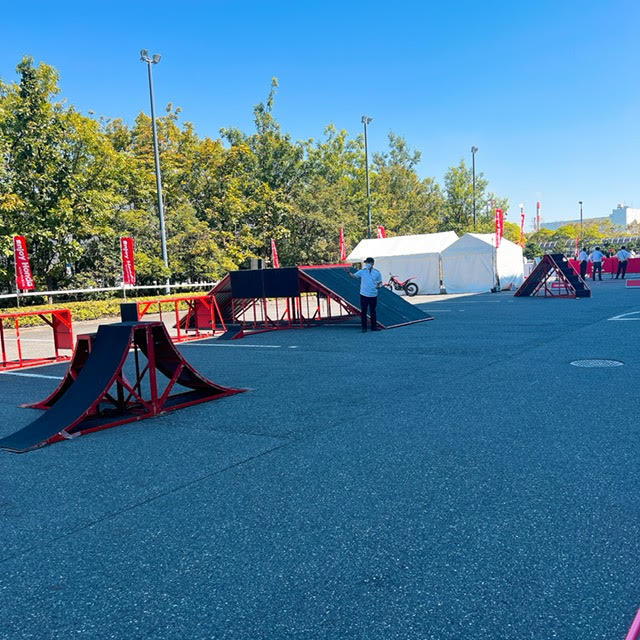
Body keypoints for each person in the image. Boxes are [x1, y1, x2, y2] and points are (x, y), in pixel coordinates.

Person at [349, 257, 383, 332]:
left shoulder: (377, 272)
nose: (366, 264)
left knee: (373, 311)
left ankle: (374, 327)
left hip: (373, 294)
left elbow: (380, 282)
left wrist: (379, 286)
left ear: (372, 263)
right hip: (364, 294)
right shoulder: (362, 271)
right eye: (366, 263)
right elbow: (353, 276)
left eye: (368, 263)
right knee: (363, 312)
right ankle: (364, 328)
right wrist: (348, 272)